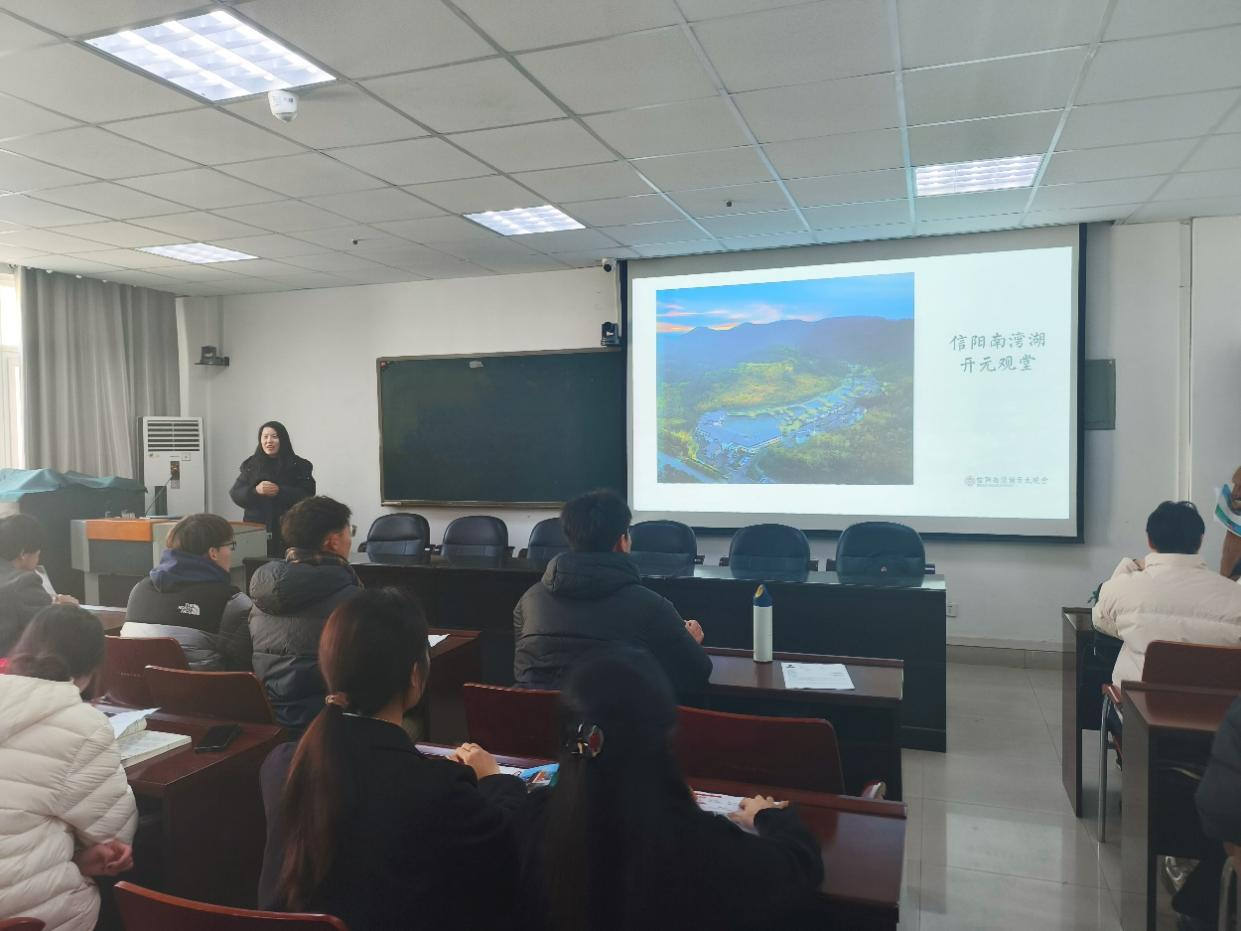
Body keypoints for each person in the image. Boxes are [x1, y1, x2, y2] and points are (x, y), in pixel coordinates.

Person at [258, 588, 526, 931]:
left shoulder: (281, 764)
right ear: (415, 675)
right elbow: (504, 843)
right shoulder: (433, 787)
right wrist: (494, 779)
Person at [514, 647, 824, 931]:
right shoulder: (701, 850)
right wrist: (768, 815)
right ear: (667, 739)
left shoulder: (530, 822)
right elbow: (799, 864)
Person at [0, 605, 137, 931]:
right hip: (25, 915)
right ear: (91, 668)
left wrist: (76, 859)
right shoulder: (82, 725)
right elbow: (115, 839)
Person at [513, 490, 711, 697]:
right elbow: (697, 673)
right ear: (622, 542)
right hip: (617, 717)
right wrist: (689, 641)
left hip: (536, 716)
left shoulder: (529, 601)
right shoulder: (652, 607)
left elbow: (523, 669)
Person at [1094, 500, 1241, 686]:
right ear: (1201, 539)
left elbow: (1101, 622)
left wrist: (1132, 565)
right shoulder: (1236, 595)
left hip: (1137, 702)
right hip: (1215, 703)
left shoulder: (1122, 588)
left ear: (1150, 540)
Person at [249, 496, 361, 732]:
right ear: (333, 542)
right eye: (349, 531)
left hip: (272, 726)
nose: (350, 539)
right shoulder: (354, 601)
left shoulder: (260, 597)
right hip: (334, 726)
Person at [122, 513, 253, 670]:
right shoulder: (232, 602)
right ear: (213, 553)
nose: (231, 552)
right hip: (203, 686)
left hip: (136, 685)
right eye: (230, 546)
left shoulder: (139, 590)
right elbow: (247, 665)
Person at [230, 421, 316, 557]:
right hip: (257, 530)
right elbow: (236, 493)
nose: (269, 441)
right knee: (256, 565)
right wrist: (255, 491)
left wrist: (280, 491)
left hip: (289, 529)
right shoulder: (251, 464)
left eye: (274, 436)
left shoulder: (300, 465)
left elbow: (308, 494)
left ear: (283, 439)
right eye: (265, 437)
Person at [0, 514, 77, 656]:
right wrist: (67, 608)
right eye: (37, 554)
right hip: (11, 666)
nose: (37, 560)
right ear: (23, 553)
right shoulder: (23, 582)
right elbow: (52, 627)